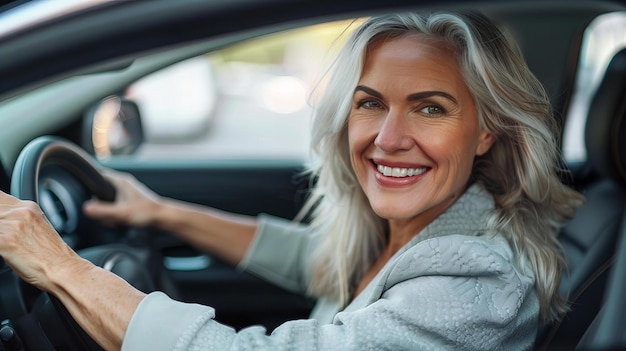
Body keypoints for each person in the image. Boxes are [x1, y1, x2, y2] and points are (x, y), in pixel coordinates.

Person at [0, 11, 583, 351]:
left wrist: (59, 265)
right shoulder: (427, 224)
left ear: (487, 132)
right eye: (370, 104)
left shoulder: (470, 285)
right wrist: (163, 213)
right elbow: (322, 262)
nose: (387, 138)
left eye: (430, 109)